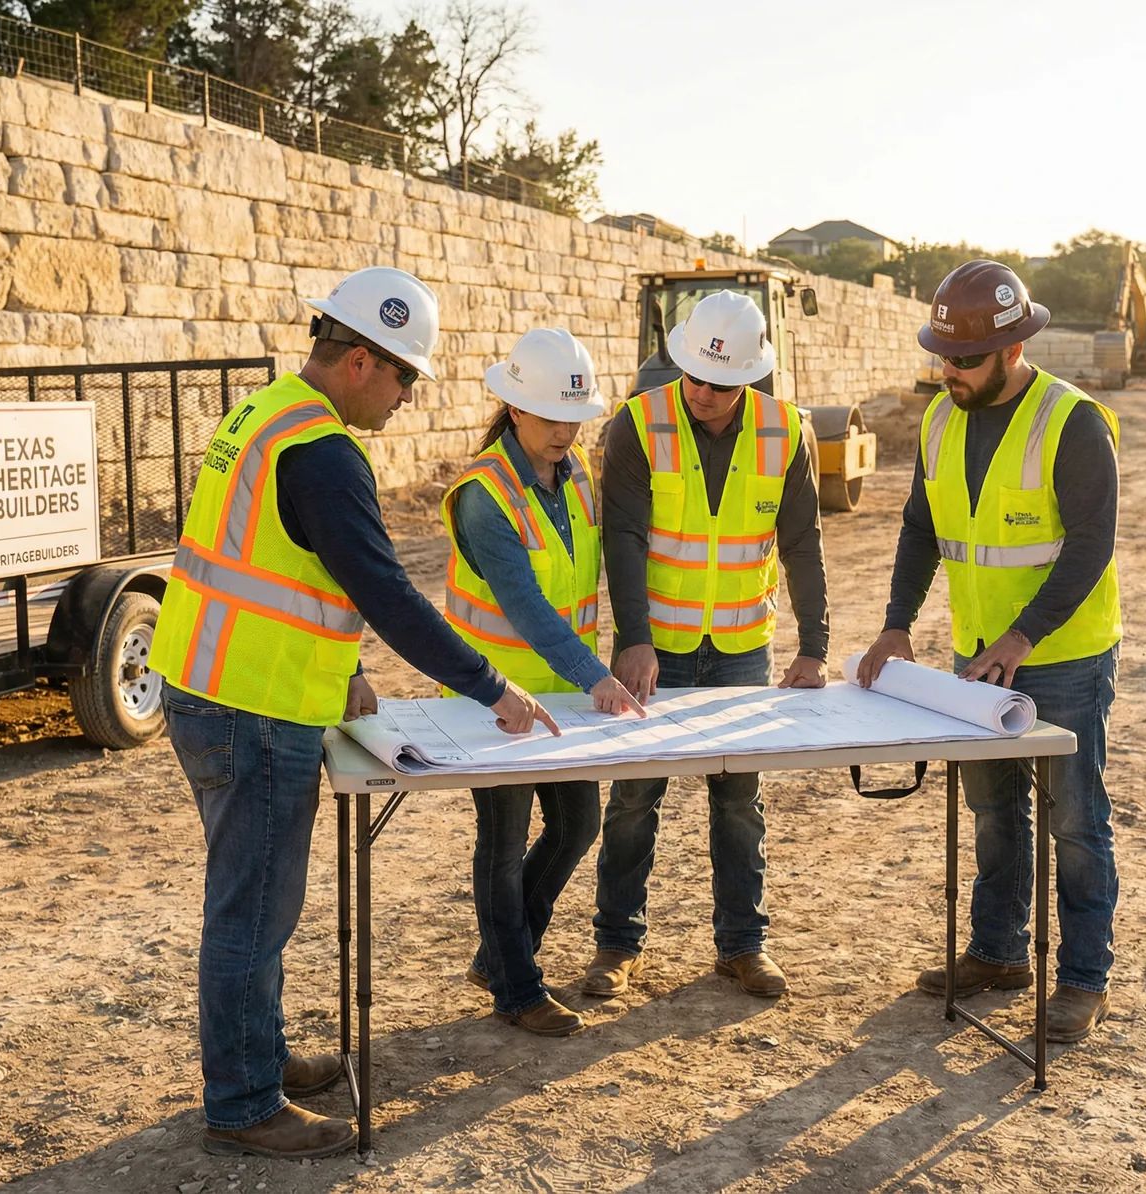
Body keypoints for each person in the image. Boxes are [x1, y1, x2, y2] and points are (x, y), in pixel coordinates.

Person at [149, 266, 560, 1160]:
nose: (410, 395)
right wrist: (494, 687)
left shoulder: (267, 415)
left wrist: (340, 679)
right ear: (363, 360)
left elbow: (277, 565)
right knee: (252, 912)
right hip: (249, 708)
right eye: (407, 374)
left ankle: (259, 1058)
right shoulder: (325, 452)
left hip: (217, 686)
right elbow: (386, 592)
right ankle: (245, 1104)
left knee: (256, 906)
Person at [856, 260, 1121, 1044]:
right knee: (995, 814)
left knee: (1074, 821)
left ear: (1011, 349)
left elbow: (1090, 546)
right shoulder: (940, 417)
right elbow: (918, 526)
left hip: (1064, 657)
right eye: (942, 355)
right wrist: (897, 620)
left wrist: (1023, 635)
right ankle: (1001, 954)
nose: (950, 370)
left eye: (964, 359)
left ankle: (1083, 980)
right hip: (980, 659)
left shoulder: (1071, 421)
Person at [584, 289, 830, 1000]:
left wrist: (814, 645)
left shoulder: (787, 430)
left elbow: (802, 543)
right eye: (693, 375)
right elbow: (621, 538)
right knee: (634, 799)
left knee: (739, 804)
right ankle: (615, 944)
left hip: (742, 647)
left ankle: (742, 947)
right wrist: (634, 638)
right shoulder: (638, 423)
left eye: (722, 383)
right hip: (654, 645)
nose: (703, 392)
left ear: (752, 376)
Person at [441, 328, 646, 1036]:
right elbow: (524, 605)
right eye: (551, 416)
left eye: (575, 416)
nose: (566, 430)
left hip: (562, 695)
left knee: (578, 824)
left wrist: (609, 659)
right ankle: (518, 989)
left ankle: (500, 955)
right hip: (495, 700)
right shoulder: (482, 496)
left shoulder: (578, 471)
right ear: (513, 408)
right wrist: (598, 677)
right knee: (501, 843)